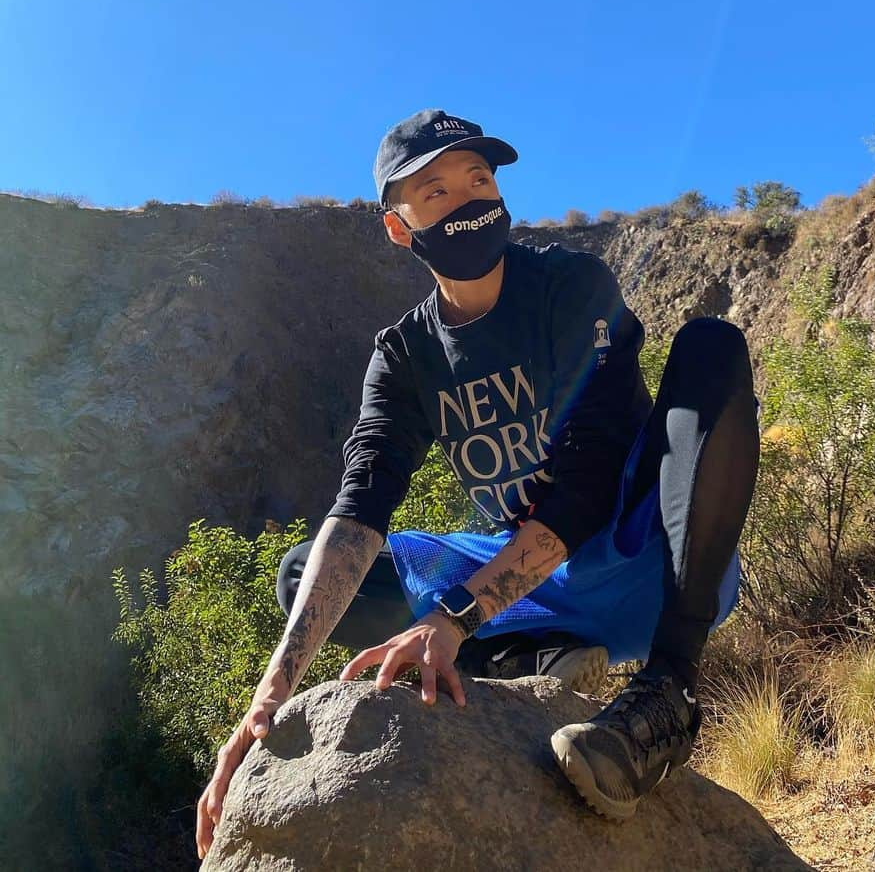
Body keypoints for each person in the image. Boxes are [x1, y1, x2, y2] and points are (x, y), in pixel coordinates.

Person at [195, 108, 760, 856]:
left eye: (478, 179)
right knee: (307, 574)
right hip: (536, 586)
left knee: (711, 347)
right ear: (400, 227)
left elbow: (588, 480)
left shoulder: (569, 286)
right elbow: (361, 504)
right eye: (435, 192)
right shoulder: (405, 356)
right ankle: (533, 661)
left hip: (650, 549)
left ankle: (666, 697)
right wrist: (265, 702)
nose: (466, 201)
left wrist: (455, 616)